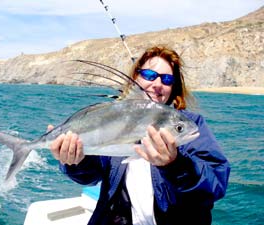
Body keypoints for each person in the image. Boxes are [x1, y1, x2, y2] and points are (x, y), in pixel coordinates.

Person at [49, 45, 230, 225]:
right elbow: (90, 176)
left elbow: (216, 184)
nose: (158, 84)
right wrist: (76, 161)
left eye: (167, 79)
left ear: (173, 87)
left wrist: (176, 166)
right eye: (149, 75)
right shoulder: (115, 119)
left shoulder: (189, 124)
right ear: (136, 78)